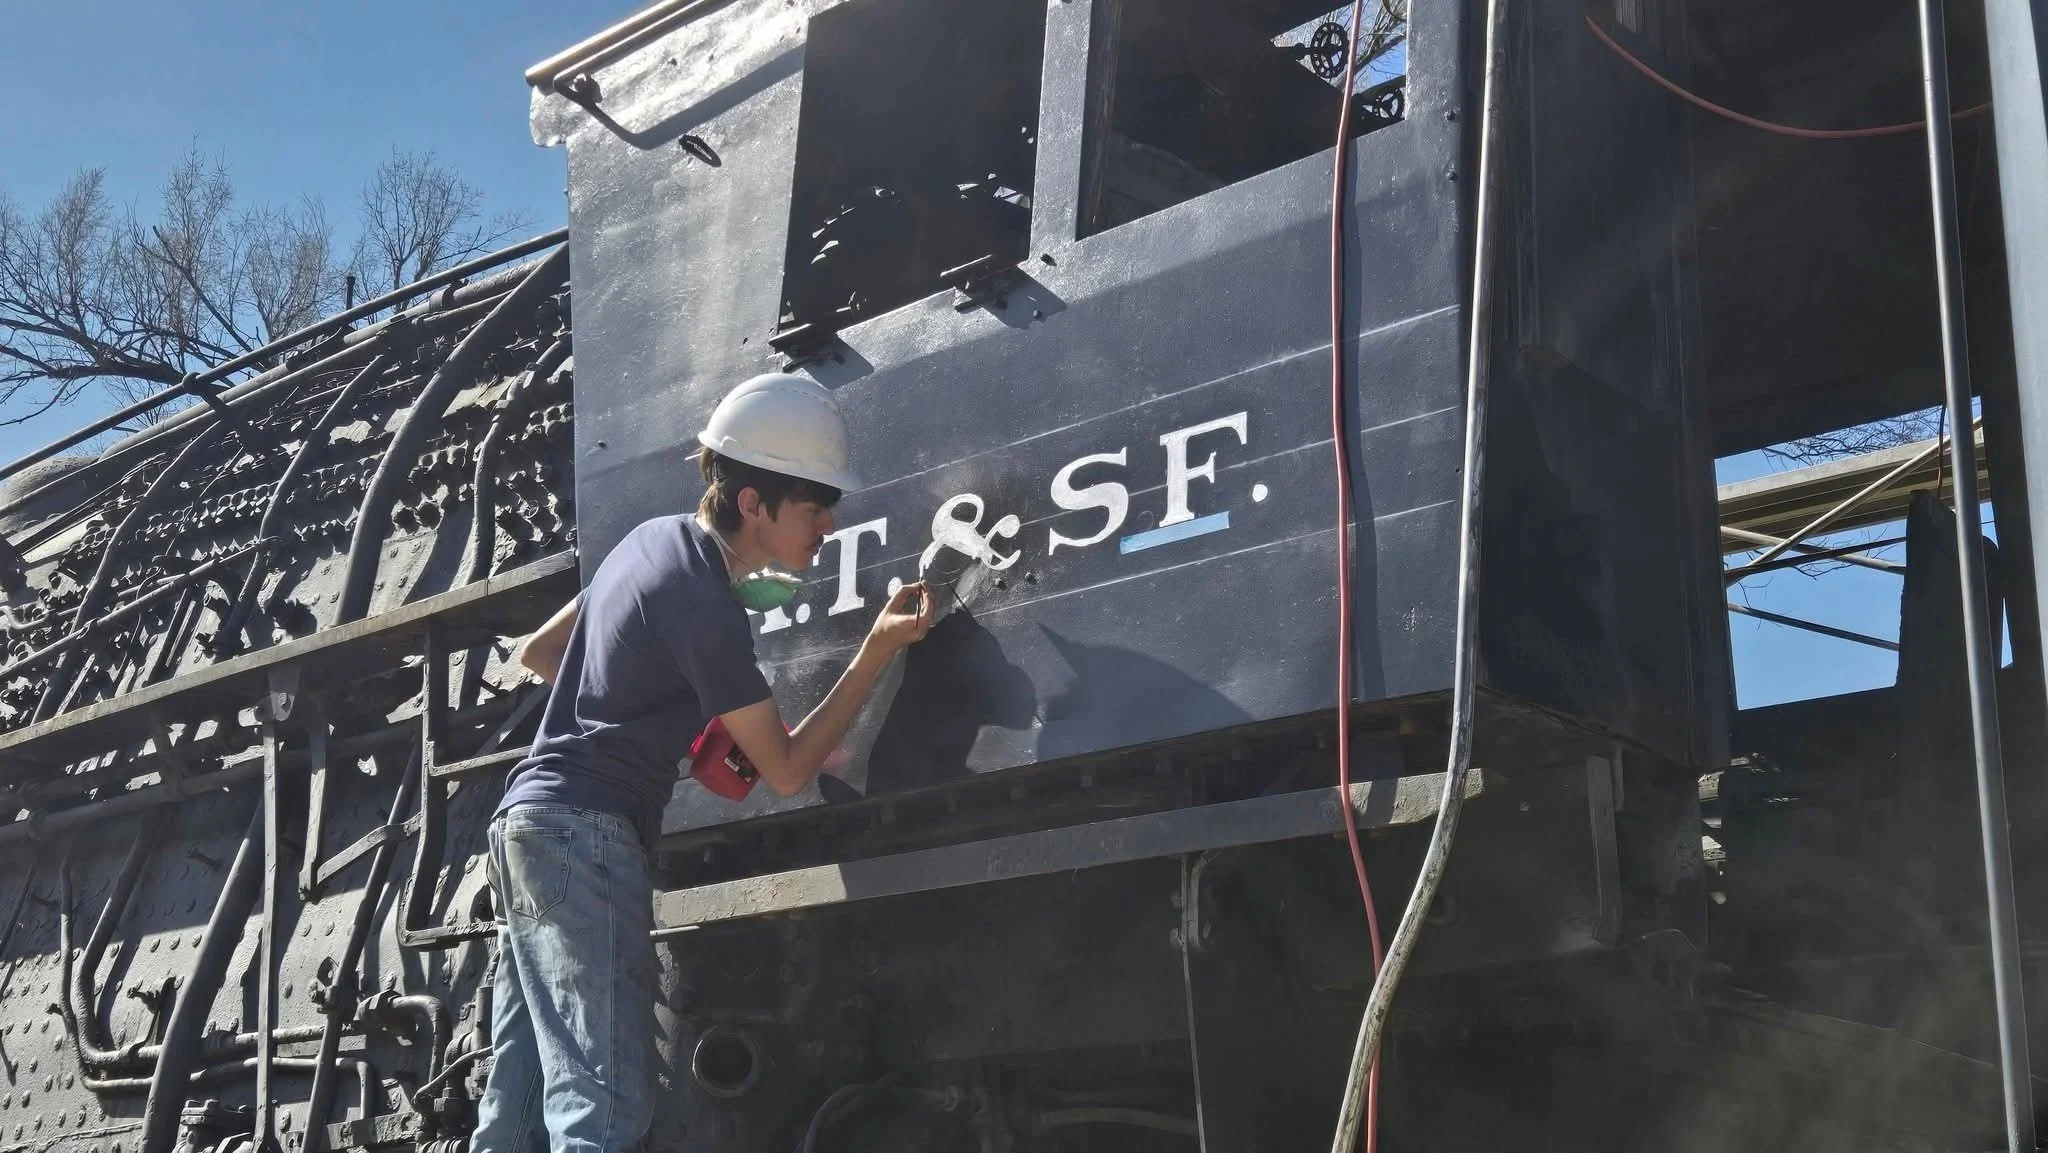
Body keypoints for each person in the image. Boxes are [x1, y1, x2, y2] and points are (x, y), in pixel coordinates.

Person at [471, 372, 933, 1153]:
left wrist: (667, 721)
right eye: (815, 504)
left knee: (514, 1114)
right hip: (586, 836)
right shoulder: (706, 603)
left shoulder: (647, 541)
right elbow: (787, 769)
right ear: (754, 502)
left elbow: (542, 653)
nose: (828, 524)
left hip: (526, 824)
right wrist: (876, 650)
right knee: (603, 1110)